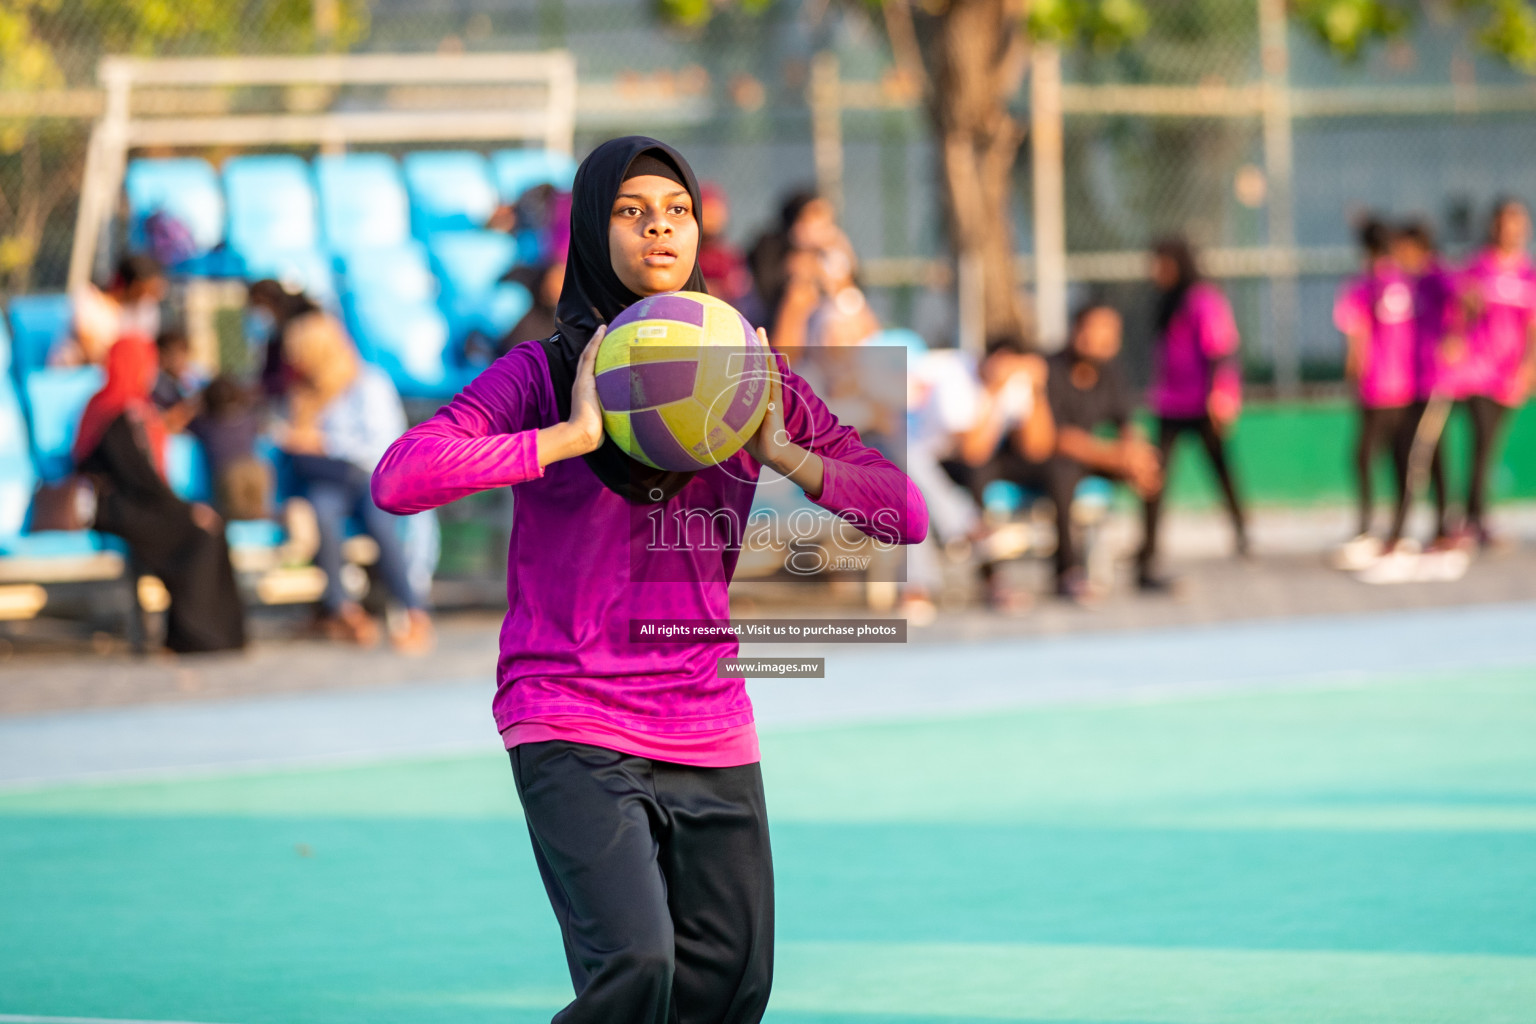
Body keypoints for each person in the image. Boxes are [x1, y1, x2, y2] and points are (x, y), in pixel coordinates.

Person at [370, 136, 927, 1024]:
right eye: (631, 212)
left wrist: (787, 453)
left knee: (731, 990)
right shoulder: (547, 372)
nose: (658, 229)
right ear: (594, 231)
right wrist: (569, 437)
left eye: (675, 212)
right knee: (636, 969)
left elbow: (905, 516)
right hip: (570, 707)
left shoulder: (751, 370)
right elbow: (401, 477)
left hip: (705, 716)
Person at [72, 337, 246, 653]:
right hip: (118, 509)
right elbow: (140, 478)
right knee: (201, 533)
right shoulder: (117, 414)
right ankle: (196, 634)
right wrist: (185, 510)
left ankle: (213, 634)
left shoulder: (127, 408)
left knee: (210, 529)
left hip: (137, 504)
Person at [277, 313, 432, 653]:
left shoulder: (368, 384)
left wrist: (321, 443)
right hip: (328, 480)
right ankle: (343, 609)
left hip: (372, 474)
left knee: (381, 523)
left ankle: (414, 610)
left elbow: (381, 444)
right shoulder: (303, 393)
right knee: (321, 511)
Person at [1142, 237, 1249, 581]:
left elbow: (1221, 348)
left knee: (1221, 470)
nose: (1155, 270)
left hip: (1203, 403)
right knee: (1154, 476)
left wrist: (1222, 396)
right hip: (1170, 403)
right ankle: (1148, 546)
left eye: (1161, 262)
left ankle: (1242, 532)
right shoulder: (1166, 301)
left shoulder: (1203, 298)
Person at [1332, 218, 1417, 569]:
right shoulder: (1407, 282)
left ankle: (1368, 529)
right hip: (1410, 383)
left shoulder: (1363, 285)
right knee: (1401, 460)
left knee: (1364, 457)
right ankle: (1398, 531)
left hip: (1378, 386)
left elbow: (1357, 341)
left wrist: (1352, 371)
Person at [1455, 197, 1536, 548]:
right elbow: (1459, 314)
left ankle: (1473, 516)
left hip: (1509, 375)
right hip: (1477, 372)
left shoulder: (1528, 274)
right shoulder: (1477, 268)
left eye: (1518, 222)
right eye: (1505, 222)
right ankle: (1475, 520)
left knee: (1490, 445)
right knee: (1482, 443)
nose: (1512, 229)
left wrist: (1529, 369)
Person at [1385, 221, 1457, 551]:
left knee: (1416, 455)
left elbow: (1467, 299)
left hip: (1435, 381)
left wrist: (1456, 336)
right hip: (1412, 383)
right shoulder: (1405, 281)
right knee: (1435, 454)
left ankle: (1400, 531)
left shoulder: (1437, 276)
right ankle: (1444, 527)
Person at [59, 254, 168, 367]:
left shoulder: (145, 309)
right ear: (134, 285)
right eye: (147, 289)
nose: (151, 296)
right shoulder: (88, 299)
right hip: (76, 372)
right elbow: (90, 350)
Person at [697, 182, 753, 307]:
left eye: (716, 212)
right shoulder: (689, 256)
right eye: (707, 212)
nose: (713, 218)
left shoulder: (731, 256)